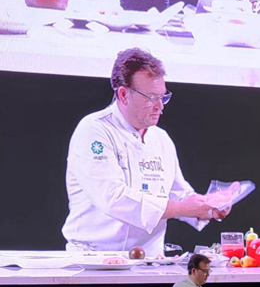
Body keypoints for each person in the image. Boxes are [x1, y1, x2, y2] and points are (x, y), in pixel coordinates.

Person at [62, 48, 230, 254]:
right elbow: (114, 198)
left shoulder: (161, 139)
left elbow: (179, 194)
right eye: (151, 98)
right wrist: (188, 207)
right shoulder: (94, 130)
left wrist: (210, 207)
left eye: (163, 97)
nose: (160, 106)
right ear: (123, 94)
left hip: (150, 260)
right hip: (95, 259)